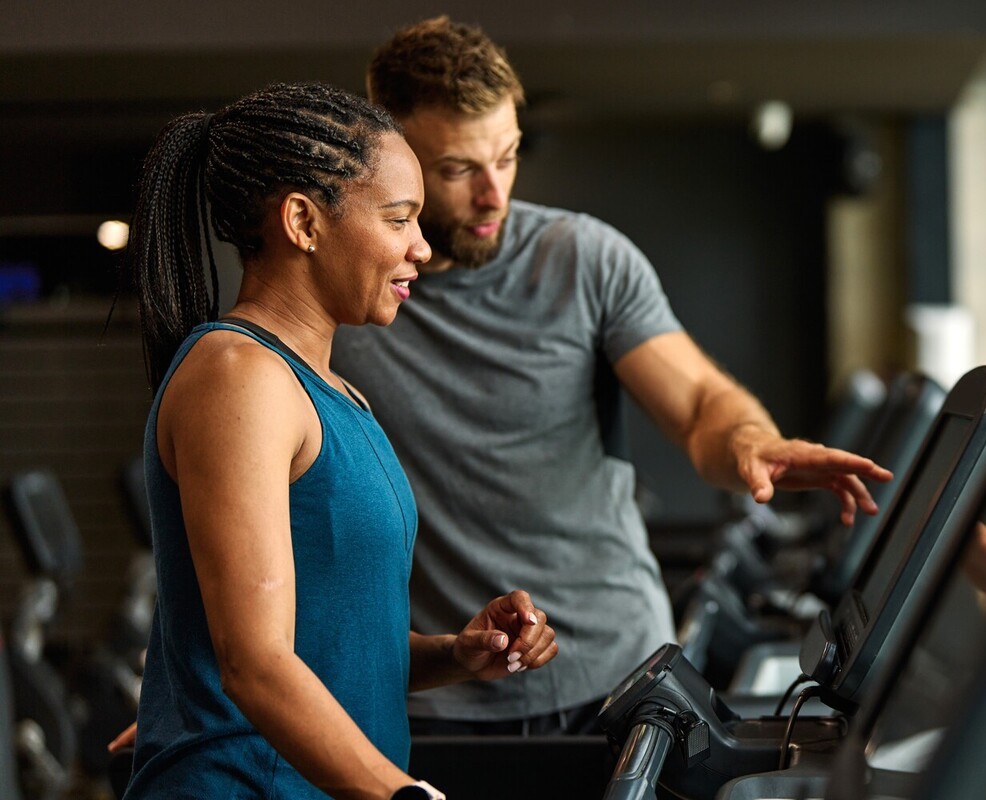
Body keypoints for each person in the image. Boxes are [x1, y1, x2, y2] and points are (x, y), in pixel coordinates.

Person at [329, 16, 893, 736]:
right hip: (431, 701)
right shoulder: (345, 299)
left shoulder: (582, 258)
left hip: (614, 679)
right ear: (395, 158)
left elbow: (694, 403)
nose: (493, 193)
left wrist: (750, 440)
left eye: (506, 157)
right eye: (457, 170)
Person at [120, 81, 557, 799]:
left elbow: (328, 645)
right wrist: (402, 795)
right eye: (397, 219)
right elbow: (255, 663)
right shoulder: (238, 376)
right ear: (302, 221)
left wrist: (457, 653)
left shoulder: (329, 390)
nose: (420, 246)